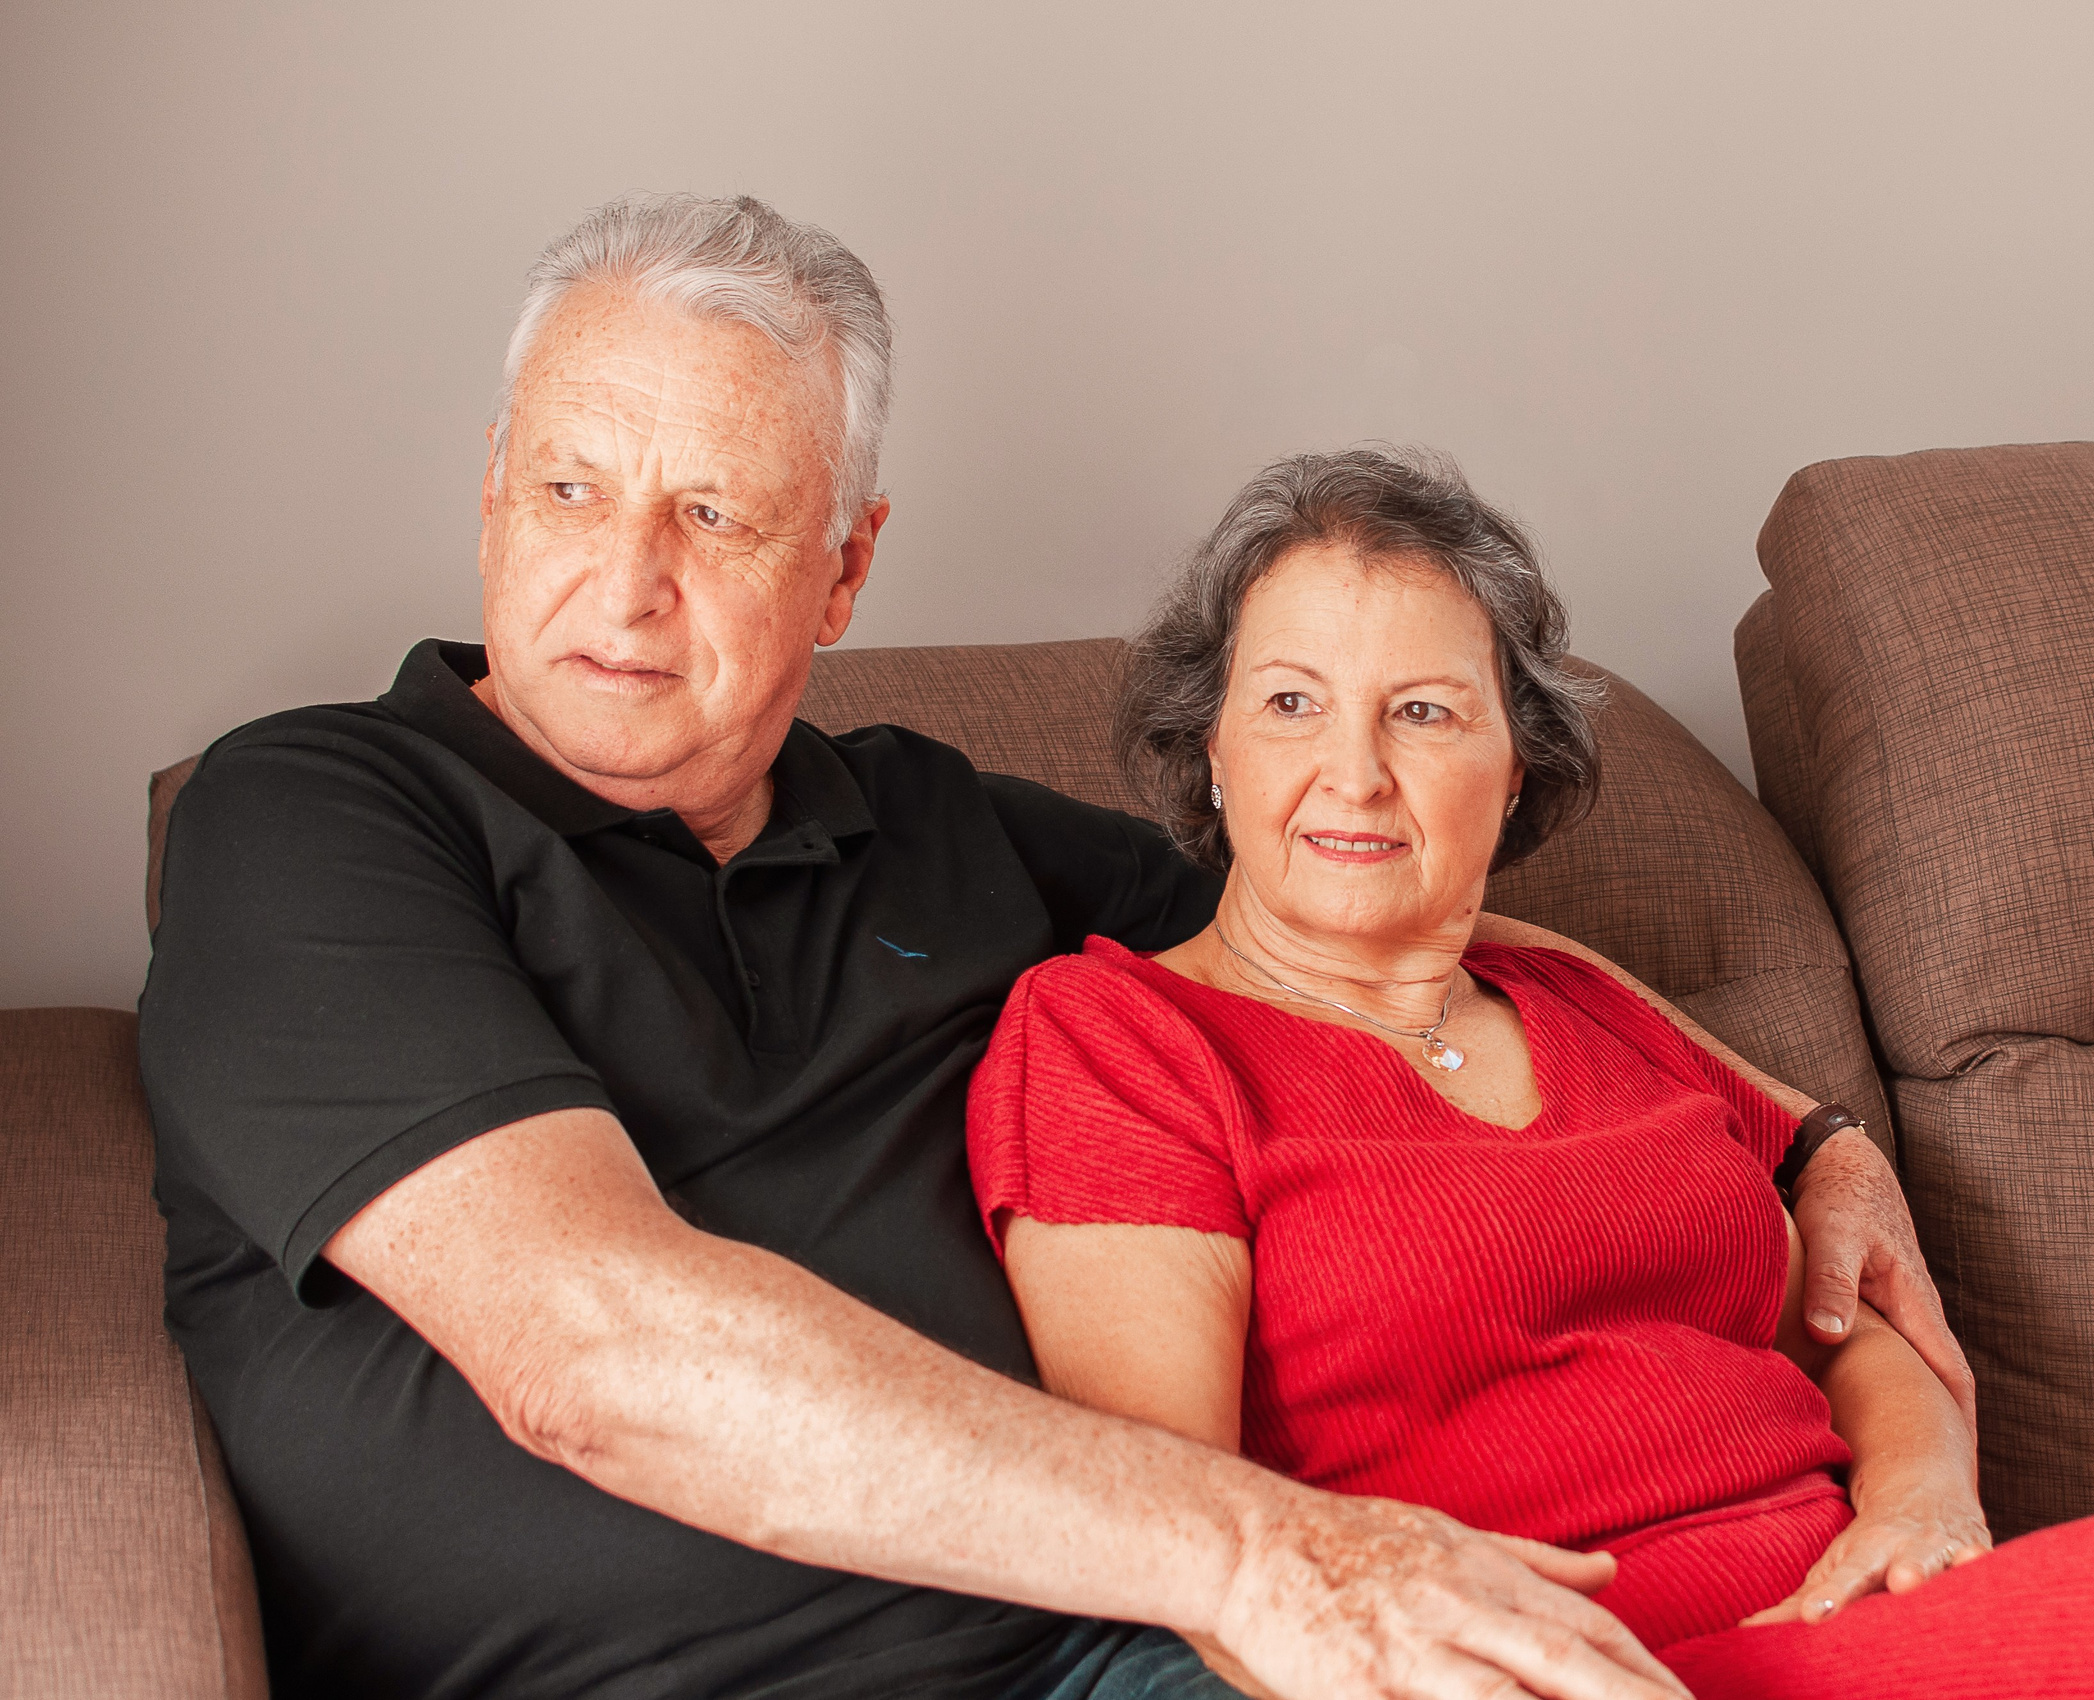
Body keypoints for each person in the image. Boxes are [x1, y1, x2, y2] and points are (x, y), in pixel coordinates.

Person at [137, 192, 1951, 1700]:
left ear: (845, 571)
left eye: (713, 516)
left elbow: (1378, 922)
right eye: (569, 491)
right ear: (488, 487)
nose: (625, 585)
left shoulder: (931, 823)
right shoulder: (315, 820)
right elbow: (594, 1355)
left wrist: (1810, 1128)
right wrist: (1272, 1555)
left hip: (1103, 1655)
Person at [966, 444, 2094, 1697]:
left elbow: (1844, 1305)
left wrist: (1925, 1502)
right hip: (1573, 1671)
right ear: (1212, 748)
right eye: (1293, 701)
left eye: (1427, 711)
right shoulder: (1119, 1043)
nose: (1355, 771)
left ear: (1516, 763)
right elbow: (1180, 1534)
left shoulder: (1583, 1002)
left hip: (1862, 1617)